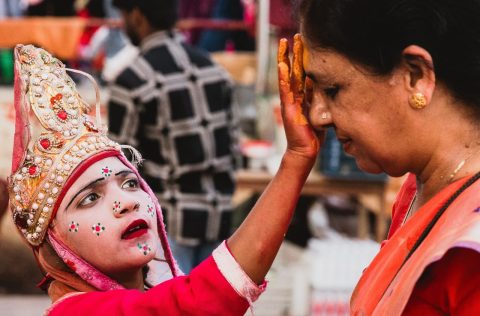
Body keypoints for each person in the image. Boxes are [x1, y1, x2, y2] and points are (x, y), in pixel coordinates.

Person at [8, 38, 317, 314]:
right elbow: (199, 303)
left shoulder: (148, 292)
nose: (125, 203)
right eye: (90, 198)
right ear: (56, 240)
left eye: (130, 183)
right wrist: (296, 160)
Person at [286, 0, 480, 314]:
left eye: (333, 89)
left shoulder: (470, 251)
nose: (318, 115)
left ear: (415, 76)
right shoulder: (418, 191)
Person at [107, 0, 240, 274]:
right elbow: (234, 150)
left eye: (124, 15)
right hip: (219, 220)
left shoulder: (132, 80)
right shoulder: (214, 71)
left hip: (167, 225)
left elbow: (119, 167)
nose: (122, 23)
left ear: (138, 15)